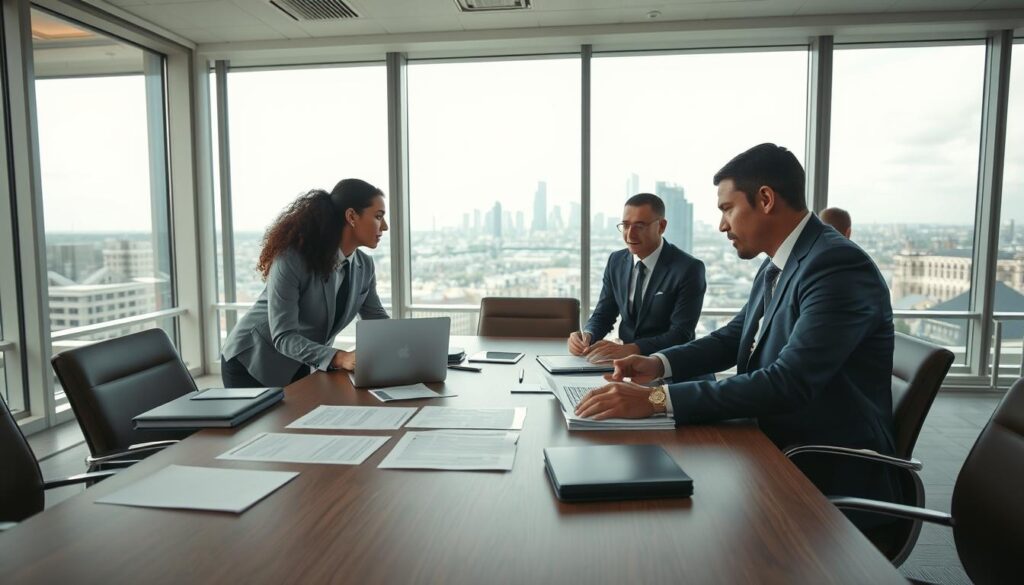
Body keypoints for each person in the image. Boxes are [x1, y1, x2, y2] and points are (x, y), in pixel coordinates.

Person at [575, 144, 898, 517]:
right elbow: (734, 337)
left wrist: (656, 401)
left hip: (822, 470)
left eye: (727, 209)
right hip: (768, 443)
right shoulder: (779, 263)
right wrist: (656, 363)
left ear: (765, 199)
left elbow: (788, 382)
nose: (722, 224)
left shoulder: (835, 266)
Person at [220, 178, 390, 387]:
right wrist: (340, 357)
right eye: (378, 217)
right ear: (352, 216)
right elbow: (283, 337)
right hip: (253, 362)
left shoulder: (364, 265)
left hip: (302, 360)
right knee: (277, 420)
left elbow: (376, 319)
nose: (385, 226)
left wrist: (407, 347)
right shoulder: (292, 260)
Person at [568, 193, 707, 362]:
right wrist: (587, 336)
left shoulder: (689, 268)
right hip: (623, 366)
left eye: (640, 226)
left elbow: (681, 334)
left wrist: (632, 349)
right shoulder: (616, 261)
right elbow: (604, 314)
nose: (630, 235)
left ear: (661, 226)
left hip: (668, 366)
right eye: (626, 225)